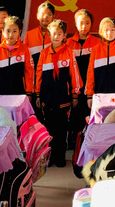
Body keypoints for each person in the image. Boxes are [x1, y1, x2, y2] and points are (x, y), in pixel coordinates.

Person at [35, 19, 82, 167]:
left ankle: (60, 156)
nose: (56, 36)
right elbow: (38, 75)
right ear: (49, 35)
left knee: (62, 128)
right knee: (48, 128)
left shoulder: (69, 53)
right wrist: (37, 94)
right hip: (47, 98)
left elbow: (74, 74)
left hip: (63, 98)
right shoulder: (44, 53)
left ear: (64, 35)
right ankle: (50, 156)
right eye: (53, 33)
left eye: (59, 34)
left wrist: (75, 94)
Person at [67, 9, 100, 145]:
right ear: (75, 24)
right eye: (81, 23)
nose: (84, 26)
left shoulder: (97, 42)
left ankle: (89, 141)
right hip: (74, 87)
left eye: (87, 23)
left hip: (91, 86)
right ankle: (74, 141)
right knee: (75, 114)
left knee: (89, 113)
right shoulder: (68, 43)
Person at [85, 17, 115, 103]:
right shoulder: (95, 49)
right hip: (100, 94)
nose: (109, 33)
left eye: (112, 30)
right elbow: (90, 74)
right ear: (100, 32)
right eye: (106, 30)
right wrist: (89, 95)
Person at [0, 16, 34, 96]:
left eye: (14, 31)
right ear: (3, 31)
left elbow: (29, 72)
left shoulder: (24, 49)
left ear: (19, 32)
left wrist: (29, 92)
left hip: (19, 93)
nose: (11, 34)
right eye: (8, 31)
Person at [24, 2, 55, 68]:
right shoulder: (29, 35)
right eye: (42, 14)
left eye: (49, 14)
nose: (45, 17)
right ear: (37, 16)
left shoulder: (57, 35)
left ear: (53, 17)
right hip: (34, 71)